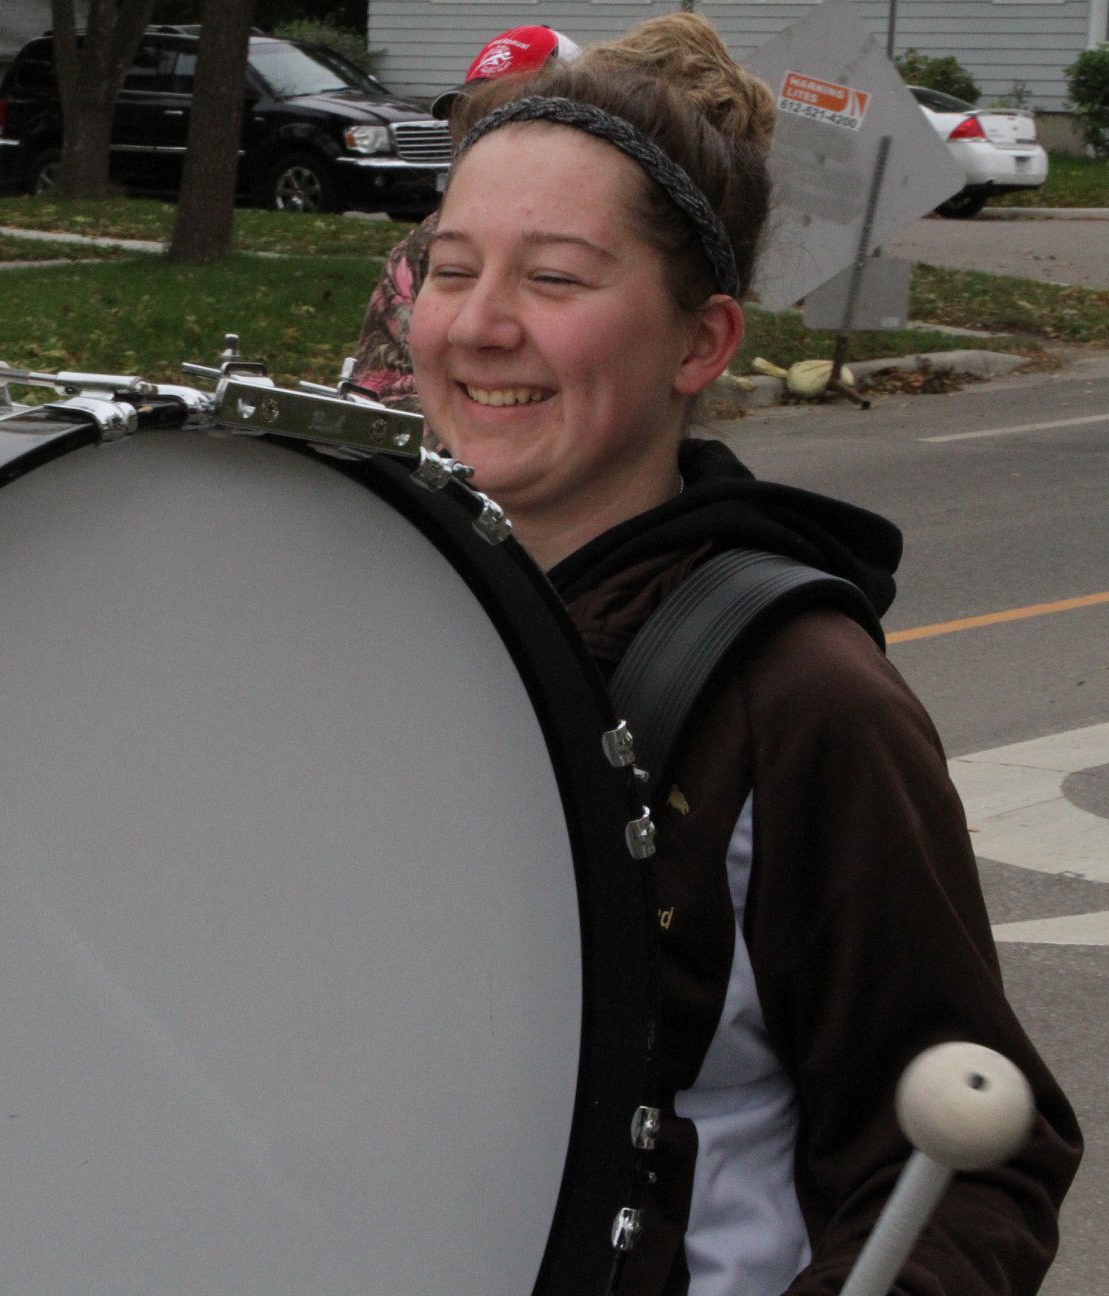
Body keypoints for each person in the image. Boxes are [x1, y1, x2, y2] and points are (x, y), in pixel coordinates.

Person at [407, 14, 1081, 1294]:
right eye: (451, 268)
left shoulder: (803, 700)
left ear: (701, 343)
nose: (480, 325)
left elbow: (971, 1170)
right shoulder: (378, 617)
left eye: (554, 279)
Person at [349, 26, 581, 407]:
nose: (479, 135)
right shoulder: (424, 248)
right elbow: (377, 397)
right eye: (469, 117)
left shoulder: (613, 234)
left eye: (505, 115)